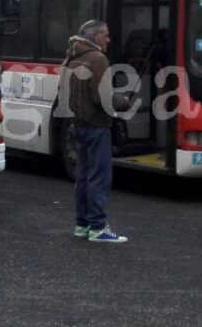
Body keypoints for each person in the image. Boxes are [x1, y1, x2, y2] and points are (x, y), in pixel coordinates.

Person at [59, 20, 130, 243]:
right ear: (95, 36)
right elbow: (103, 97)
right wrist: (124, 101)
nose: (108, 39)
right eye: (105, 35)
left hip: (78, 125)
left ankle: (82, 224)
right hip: (97, 127)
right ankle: (98, 227)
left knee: (83, 177)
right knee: (99, 178)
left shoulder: (71, 57)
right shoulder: (98, 59)